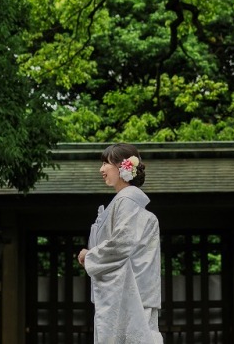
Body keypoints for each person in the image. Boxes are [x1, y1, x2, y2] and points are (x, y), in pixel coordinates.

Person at [77, 143, 163, 344]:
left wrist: (89, 256)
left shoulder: (126, 201)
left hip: (129, 292)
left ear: (122, 167)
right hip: (132, 290)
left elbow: (121, 245)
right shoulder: (125, 202)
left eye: (106, 163)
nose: (101, 169)